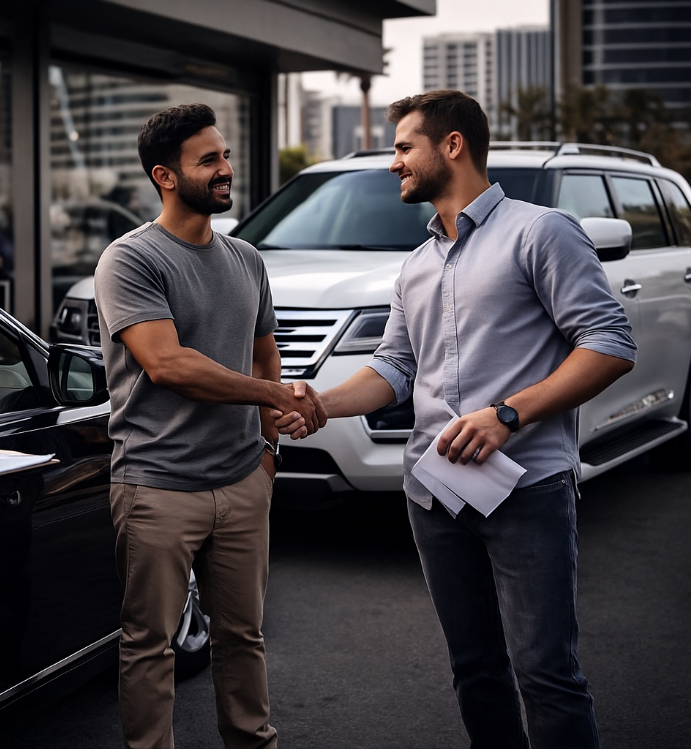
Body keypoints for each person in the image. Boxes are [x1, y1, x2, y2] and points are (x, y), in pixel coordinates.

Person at [307, 90, 636, 748]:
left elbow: (609, 345)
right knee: (475, 671)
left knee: (546, 672)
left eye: (403, 147)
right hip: (433, 494)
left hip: (526, 487)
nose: (393, 162)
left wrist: (507, 415)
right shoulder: (416, 266)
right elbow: (394, 368)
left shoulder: (541, 231)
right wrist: (320, 402)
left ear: (452, 145)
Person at [93, 103, 323, 749]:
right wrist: (275, 395)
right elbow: (168, 364)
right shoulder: (129, 260)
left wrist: (267, 452)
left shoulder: (247, 258)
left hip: (243, 480)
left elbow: (262, 352)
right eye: (210, 160)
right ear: (166, 176)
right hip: (157, 486)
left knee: (243, 634)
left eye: (224, 155)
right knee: (150, 644)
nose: (226, 169)